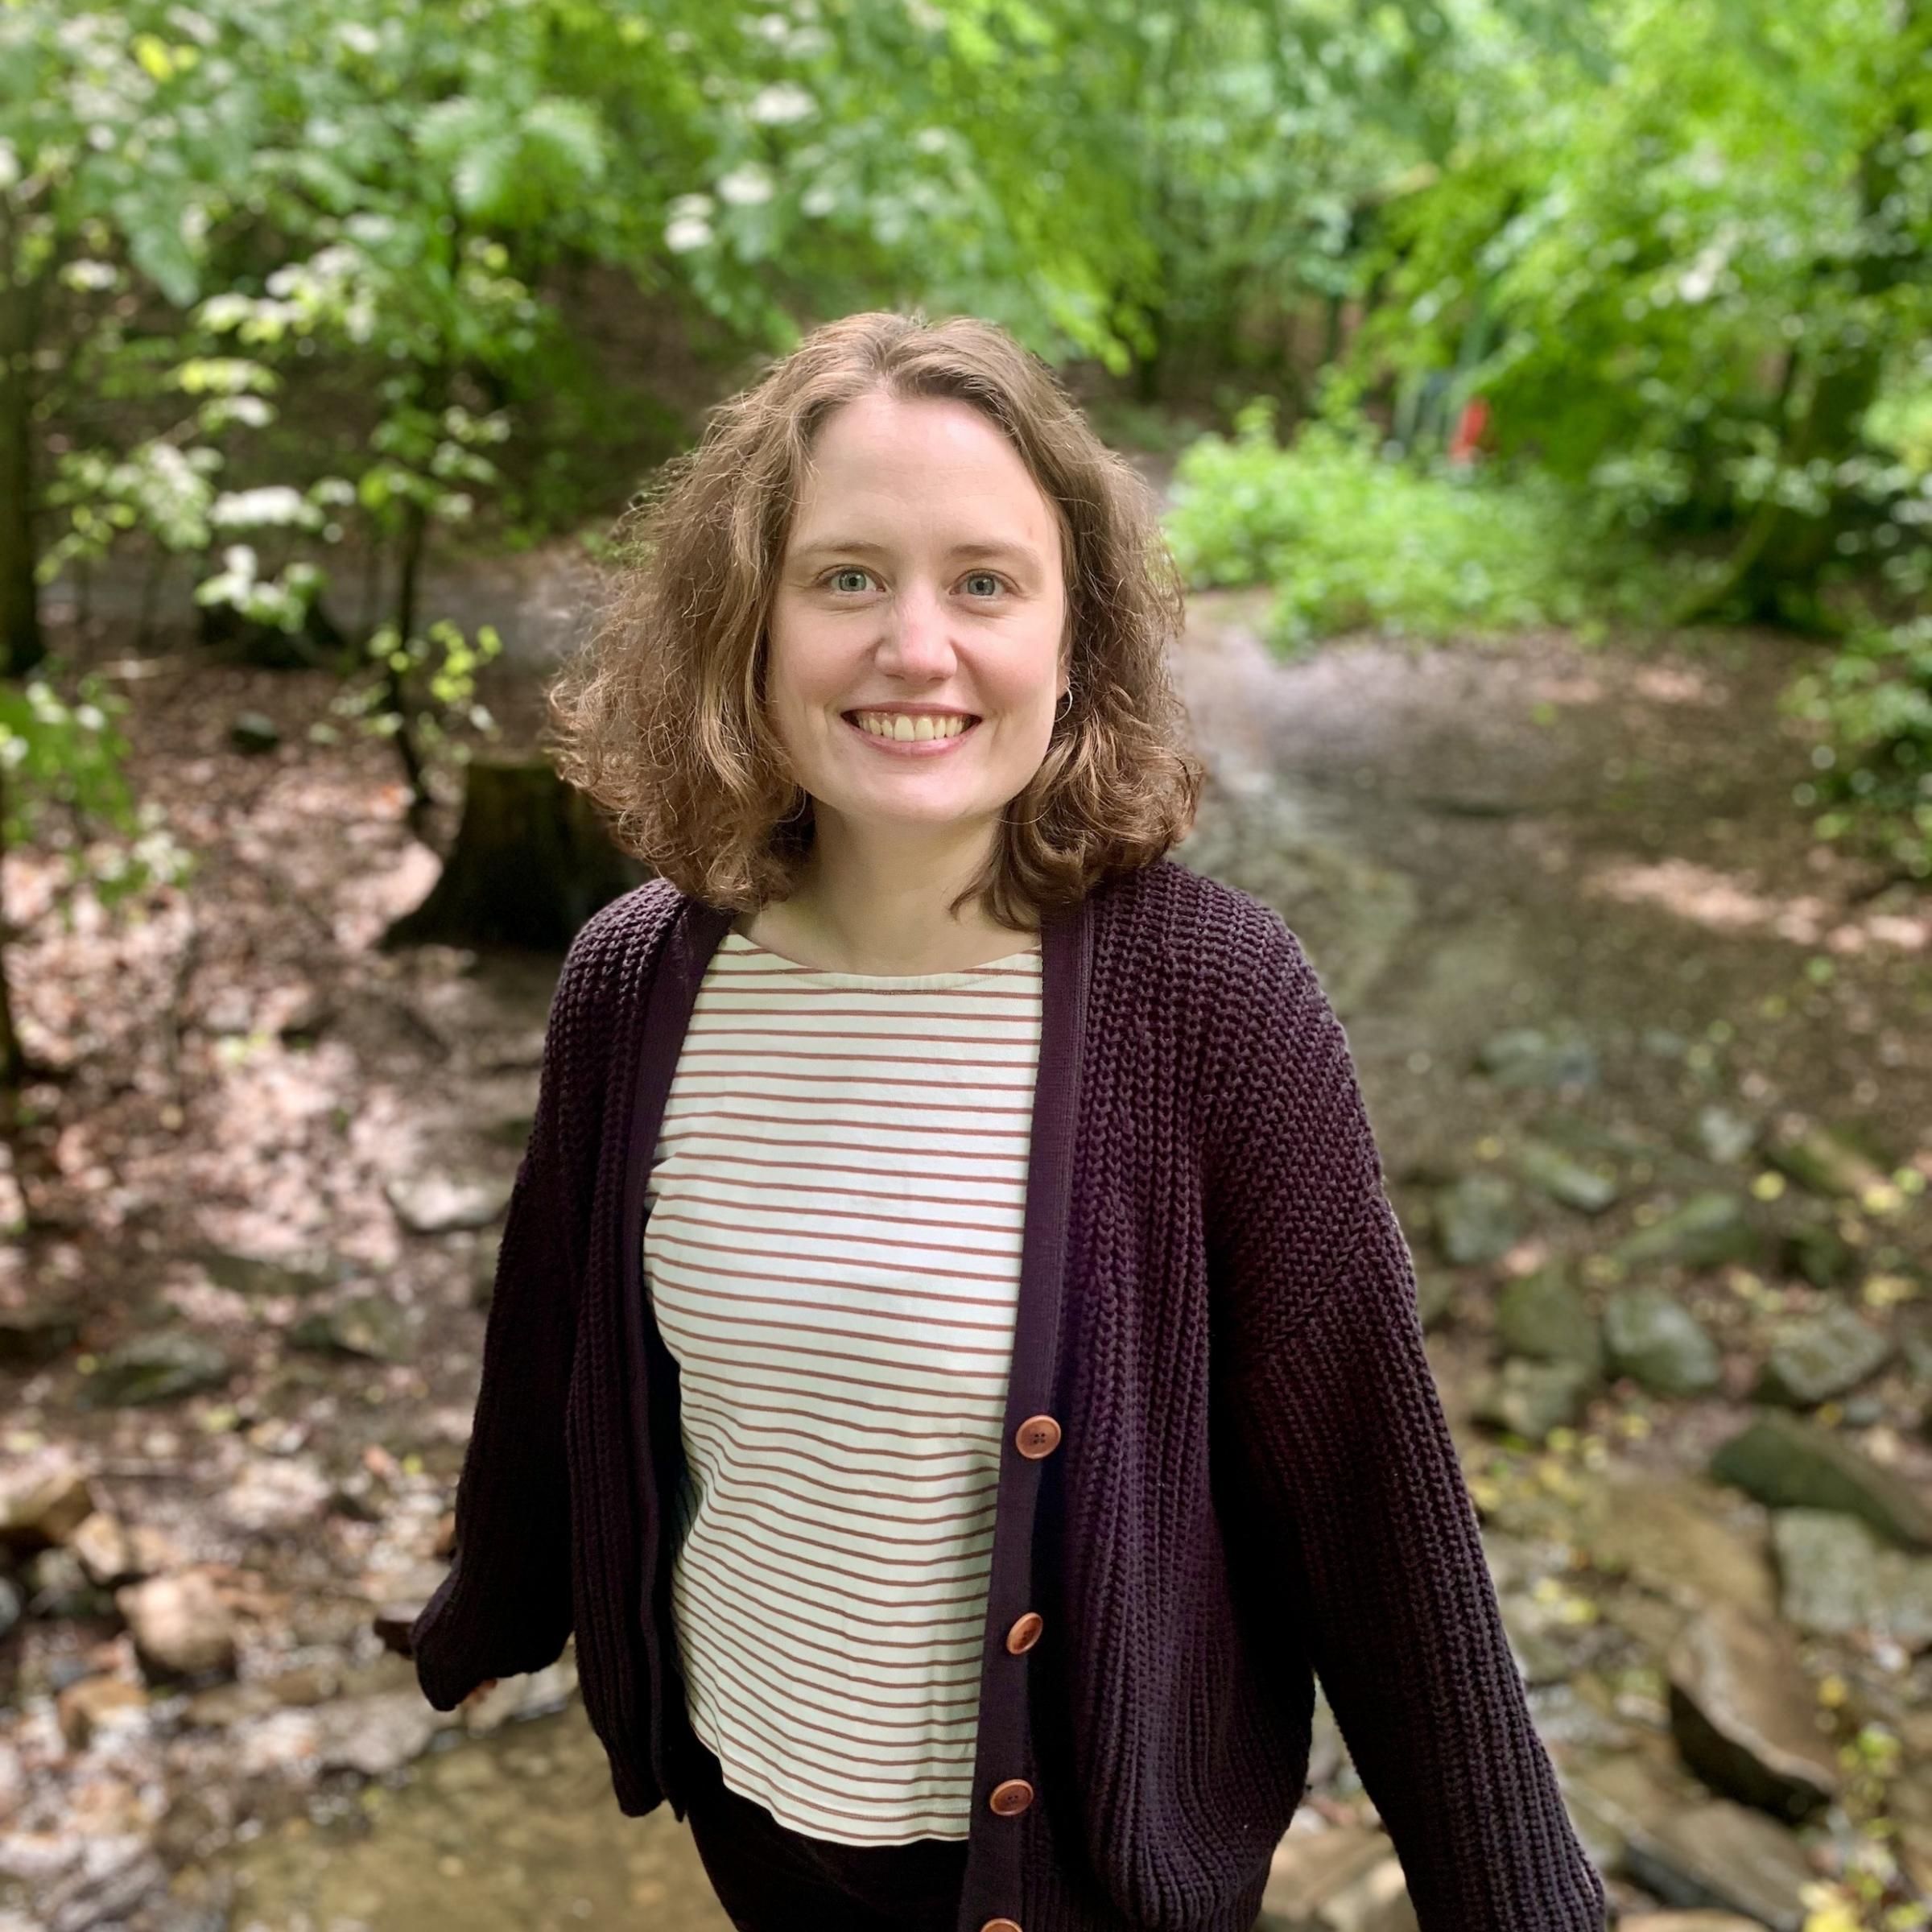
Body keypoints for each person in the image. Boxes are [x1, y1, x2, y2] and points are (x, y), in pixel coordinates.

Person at [407, 310, 1607, 1932]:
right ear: (744, 623)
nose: (918, 647)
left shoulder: (1215, 1005)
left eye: (984, 582)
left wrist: (1521, 1905)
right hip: (752, 1823)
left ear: (1072, 636)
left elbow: (1370, 1504)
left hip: (1085, 1881)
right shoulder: (634, 985)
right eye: (846, 578)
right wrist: (494, 1598)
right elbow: (555, 1335)